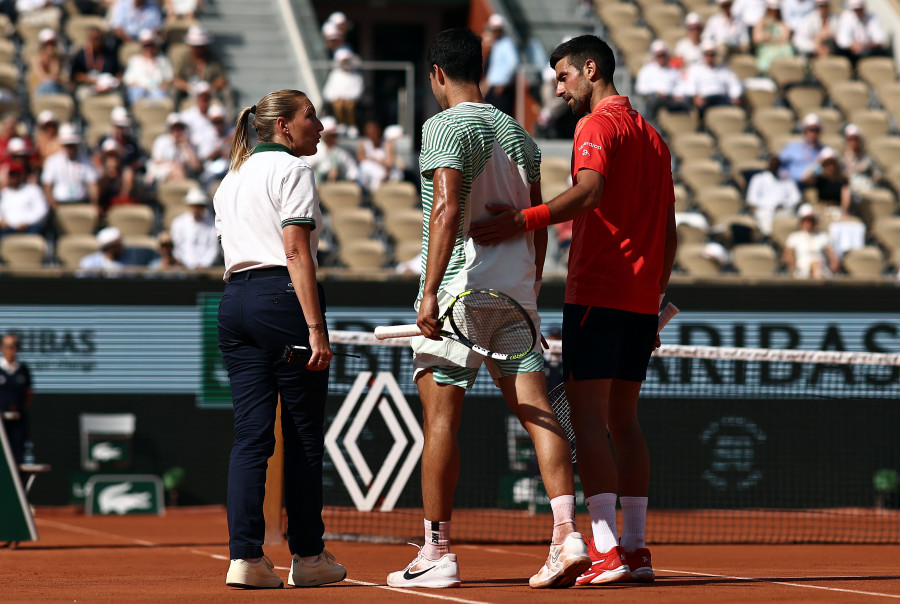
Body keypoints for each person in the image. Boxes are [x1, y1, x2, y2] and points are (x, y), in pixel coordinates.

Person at [386, 27, 589, 591]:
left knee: (440, 419)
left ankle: (437, 552)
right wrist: (530, 286)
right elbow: (540, 219)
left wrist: (428, 291)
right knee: (534, 407)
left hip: (459, 290)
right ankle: (568, 533)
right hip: (517, 290)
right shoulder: (521, 135)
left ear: (436, 75)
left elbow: (448, 209)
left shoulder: (444, 125)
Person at [470, 34, 678, 585]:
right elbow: (670, 231)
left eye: (563, 77)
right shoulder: (654, 137)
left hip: (597, 293)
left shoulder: (596, 126)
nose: (558, 88)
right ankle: (634, 550)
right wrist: (654, 295)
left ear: (591, 69)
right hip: (638, 300)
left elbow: (588, 191)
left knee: (588, 419)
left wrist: (522, 220)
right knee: (624, 422)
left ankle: (606, 548)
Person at [213, 89, 346, 589]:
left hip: (234, 303)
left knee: (250, 437)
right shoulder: (293, 171)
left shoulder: (230, 178)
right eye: (311, 116)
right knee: (304, 438)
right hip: (281, 302)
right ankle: (308, 557)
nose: (321, 124)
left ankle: (245, 558)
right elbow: (295, 252)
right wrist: (315, 327)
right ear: (284, 128)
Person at [41, 124, 99, 208]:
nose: (70, 148)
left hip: (81, 203)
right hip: (60, 204)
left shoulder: (86, 161)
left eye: (72, 145)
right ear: (62, 145)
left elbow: (93, 184)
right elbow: (47, 185)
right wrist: (51, 202)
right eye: (67, 145)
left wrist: (94, 202)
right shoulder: (52, 161)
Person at [682, 40, 743, 118]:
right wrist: (695, 96)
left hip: (721, 97)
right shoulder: (695, 69)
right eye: (707, 54)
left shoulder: (724, 69)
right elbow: (690, 84)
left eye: (712, 54)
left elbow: (734, 83)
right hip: (705, 98)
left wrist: (735, 96)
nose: (709, 57)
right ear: (703, 55)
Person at [745, 156, 801, 236]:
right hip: (765, 211)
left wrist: (784, 204)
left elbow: (796, 197)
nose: (775, 167)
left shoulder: (787, 180)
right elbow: (751, 199)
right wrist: (771, 205)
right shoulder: (758, 179)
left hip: (784, 211)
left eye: (777, 165)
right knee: (766, 221)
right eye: (773, 165)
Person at [634, 40, 689, 120]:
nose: (661, 58)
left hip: (670, 98)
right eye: (659, 55)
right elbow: (640, 87)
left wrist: (677, 95)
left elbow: (680, 85)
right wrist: (655, 92)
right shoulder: (646, 70)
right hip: (654, 98)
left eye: (663, 55)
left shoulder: (674, 70)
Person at [0, 333, 33, 466]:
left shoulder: (23, 370)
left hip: (18, 422)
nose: (13, 349)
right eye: (9, 346)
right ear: (2, 348)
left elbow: (29, 394)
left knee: (18, 456)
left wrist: (18, 408)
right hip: (1, 422)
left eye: (15, 346)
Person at [783, 203, 839, 277]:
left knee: (816, 266)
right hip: (802, 270)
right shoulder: (794, 237)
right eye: (805, 220)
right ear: (801, 221)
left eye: (811, 220)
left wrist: (834, 264)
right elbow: (787, 255)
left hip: (821, 269)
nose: (808, 223)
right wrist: (792, 264)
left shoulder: (822, 236)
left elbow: (832, 256)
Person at [69, 25, 122, 103]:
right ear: (88, 39)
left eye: (98, 39)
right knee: (82, 96)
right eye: (93, 39)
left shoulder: (109, 54)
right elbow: (75, 75)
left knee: (117, 99)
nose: (96, 42)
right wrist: (91, 80)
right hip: (88, 86)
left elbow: (118, 73)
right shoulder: (81, 54)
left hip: (108, 87)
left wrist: (113, 84)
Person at [170, 186, 219, 268]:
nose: (196, 208)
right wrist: (184, 263)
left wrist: (204, 264)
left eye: (198, 205)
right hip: (184, 267)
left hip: (206, 269)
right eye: (193, 205)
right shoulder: (178, 223)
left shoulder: (212, 224)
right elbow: (177, 247)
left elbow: (214, 248)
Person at [122, 28, 173, 104]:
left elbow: (168, 79)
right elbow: (128, 80)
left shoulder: (163, 61)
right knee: (137, 93)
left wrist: (162, 86)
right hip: (139, 90)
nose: (148, 48)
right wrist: (142, 88)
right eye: (145, 45)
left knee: (159, 95)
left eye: (151, 45)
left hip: (157, 90)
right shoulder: (134, 60)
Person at [0, 161, 49, 237]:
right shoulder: (4, 193)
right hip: (8, 229)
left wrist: (27, 222)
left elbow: (42, 210)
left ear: (22, 175)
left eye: (17, 174)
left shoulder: (33, 190)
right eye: (12, 175)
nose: (14, 178)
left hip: (30, 227)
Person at [482, 14, 519, 116]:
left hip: (500, 88)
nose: (494, 32)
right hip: (493, 88)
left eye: (496, 29)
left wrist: (503, 83)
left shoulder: (507, 44)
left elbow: (513, 63)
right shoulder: (497, 44)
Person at [306, 116, 358, 184]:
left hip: (337, 186)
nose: (334, 137)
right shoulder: (314, 149)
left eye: (335, 134)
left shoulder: (340, 152)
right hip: (318, 185)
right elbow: (307, 168)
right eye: (331, 135)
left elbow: (352, 171)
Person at [321, 48, 363, 131]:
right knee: (338, 106)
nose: (346, 64)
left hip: (351, 100)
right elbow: (327, 91)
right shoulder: (334, 75)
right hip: (337, 100)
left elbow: (358, 91)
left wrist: (347, 98)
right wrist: (337, 97)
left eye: (347, 62)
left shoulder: (357, 76)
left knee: (349, 107)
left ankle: (351, 125)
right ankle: (341, 124)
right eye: (344, 62)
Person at [835, 0, 888, 65]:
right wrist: (853, 46)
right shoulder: (846, 17)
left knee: (882, 51)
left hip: (869, 52)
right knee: (840, 52)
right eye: (855, 9)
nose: (858, 11)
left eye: (859, 9)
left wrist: (866, 46)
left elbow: (880, 39)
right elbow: (842, 40)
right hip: (852, 53)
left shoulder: (872, 17)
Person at [803, 146, 851, 216]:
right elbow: (805, 179)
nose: (830, 166)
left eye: (832, 163)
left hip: (838, 211)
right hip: (823, 211)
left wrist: (844, 212)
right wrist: (817, 164)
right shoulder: (819, 179)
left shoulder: (842, 180)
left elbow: (845, 198)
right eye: (827, 164)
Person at [779, 113, 824, 185]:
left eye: (816, 130)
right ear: (804, 131)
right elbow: (780, 165)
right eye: (811, 129)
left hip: (814, 186)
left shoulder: (824, 151)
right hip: (792, 185)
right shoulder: (792, 148)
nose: (813, 133)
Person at [752, 0, 795, 74]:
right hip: (766, 51)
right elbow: (756, 39)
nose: (773, 12)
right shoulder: (761, 22)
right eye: (771, 10)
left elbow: (786, 38)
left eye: (775, 10)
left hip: (780, 50)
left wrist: (770, 38)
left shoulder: (782, 23)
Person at [841, 123, 881, 203]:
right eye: (850, 139)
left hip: (867, 192)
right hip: (852, 194)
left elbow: (877, 175)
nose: (853, 142)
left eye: (855, 139)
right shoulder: (843, 159)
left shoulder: (868, 158)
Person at [356, 121, 400, 192]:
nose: (373, 135)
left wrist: (373, 159)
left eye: (374, 132)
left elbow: (389, 164)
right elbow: (360, 159)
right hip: (369, 175)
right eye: (370, 133)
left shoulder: (387, 144)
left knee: (379, 174)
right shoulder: (363, 143)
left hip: (388, 175)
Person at [30, 28, 69, 96]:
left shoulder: (58, 59)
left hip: (55, 88)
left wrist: (54, 59)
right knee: (48, 85)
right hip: (41, 89)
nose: (50, 47)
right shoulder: (36, 59)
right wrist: (55, 79)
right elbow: (42, 77)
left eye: (53, 44)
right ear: (42, 45)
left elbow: (56, 74)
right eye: (48, 44)